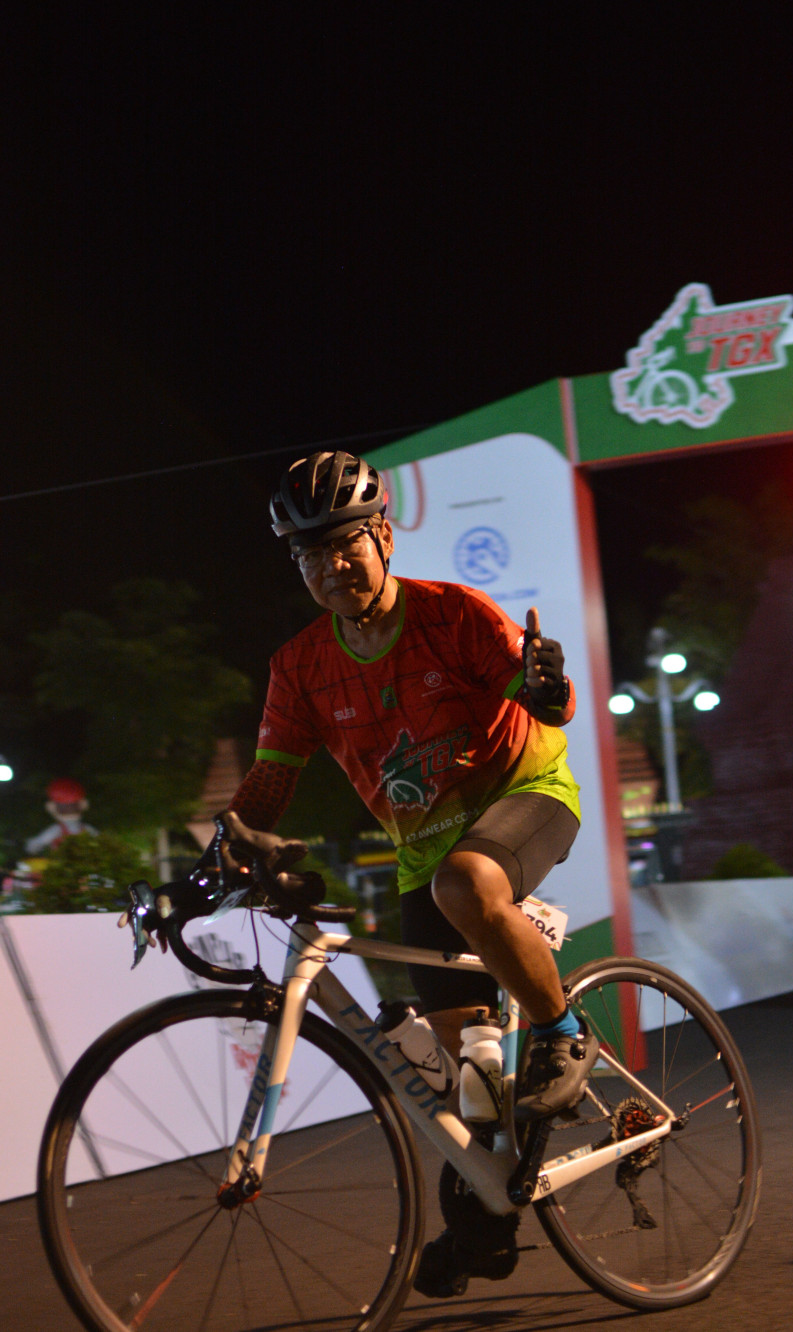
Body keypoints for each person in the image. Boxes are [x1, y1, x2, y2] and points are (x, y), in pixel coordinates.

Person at [221, 449, 597, 1296]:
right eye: (311, 554)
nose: (332, 566)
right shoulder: (299, 666)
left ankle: (564, 1032)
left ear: (383, 537)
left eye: (346, 545)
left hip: (526, 794)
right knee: (471, 1075)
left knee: (465, 884)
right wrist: (226, 846)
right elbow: (271, 780)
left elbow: (542, 694)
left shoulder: (452, 613)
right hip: (424, 850)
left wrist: (549, 689)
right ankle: (485, 1222)